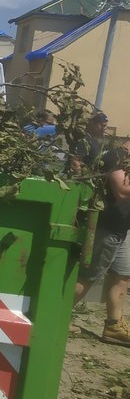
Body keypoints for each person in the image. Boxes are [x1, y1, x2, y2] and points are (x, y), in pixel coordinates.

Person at [73, 140, 130, 346]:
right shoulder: (116, 156)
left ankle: (114, 326)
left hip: (122, 228)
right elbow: (122, 191)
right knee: (88, 276)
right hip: (107, 227)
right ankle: (55, 316)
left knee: (122, 275)